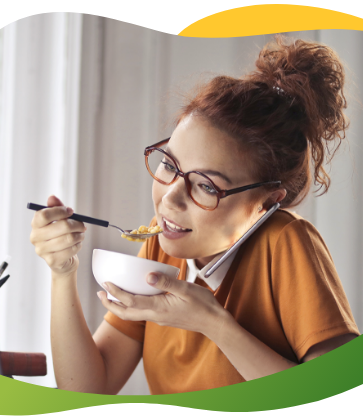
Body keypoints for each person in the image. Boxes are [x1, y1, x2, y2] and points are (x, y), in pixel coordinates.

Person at [30, 35, 360, 395]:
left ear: (266, 202)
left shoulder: (286, 243)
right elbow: (86, 390)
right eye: (170, 165)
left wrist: (212, 323)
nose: (170, 198)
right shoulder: (162, 242)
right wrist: (63, 273)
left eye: (205, 186)